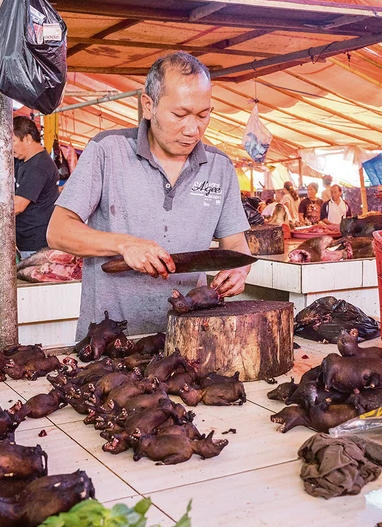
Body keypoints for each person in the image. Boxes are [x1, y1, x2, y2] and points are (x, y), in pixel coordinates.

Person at [47, 52, 251, 338]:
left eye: (203, 115)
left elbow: (237, 244)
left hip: (188, 337)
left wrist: (240, 271)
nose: (193, 129)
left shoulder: (220, 167)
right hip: (110, 340)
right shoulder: (107, 150)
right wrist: (125, 244)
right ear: (148, 105)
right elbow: (58, 231)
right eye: (179, 115)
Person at [0, 116, 60, 257]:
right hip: (24, 241)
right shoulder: (22, 159)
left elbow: (17, 206)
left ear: (28, 139)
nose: (10, 146)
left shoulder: (39, 166)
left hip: (38, 245)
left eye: (12, 141)